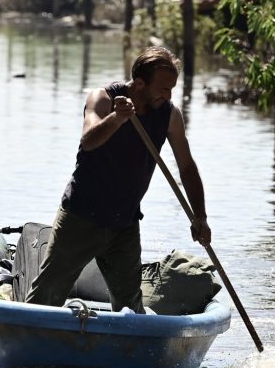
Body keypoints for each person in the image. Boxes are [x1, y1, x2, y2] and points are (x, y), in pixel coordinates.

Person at [25, 46, 210, 313]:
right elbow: (88, 141)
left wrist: (200, 216)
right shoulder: (102, 98)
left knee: (130, 308)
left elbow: (187, 167)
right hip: (81, 216)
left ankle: (127, 338)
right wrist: (117, 118)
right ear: (139, 83)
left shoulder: (169, 115)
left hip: (124, 222)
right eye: (163, 89)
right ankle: (25, 335)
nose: (168, 96)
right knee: (46, 297)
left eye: (171, 89)